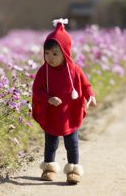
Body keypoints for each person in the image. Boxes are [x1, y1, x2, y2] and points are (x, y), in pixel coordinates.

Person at [32, 18, 96, 184]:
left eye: (55, 54)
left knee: (72, 144)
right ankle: (48, 168)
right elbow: (36, 90)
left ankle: (73, 170)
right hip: (52, 114)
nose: (50, 57)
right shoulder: (43, 71)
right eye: (47, 53)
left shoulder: (74, 70)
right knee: (51, 143)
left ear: (66, 53)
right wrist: (48, 99)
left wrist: (91, 97)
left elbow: (85, 85)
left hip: (70, 114)